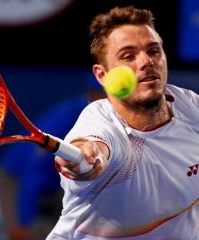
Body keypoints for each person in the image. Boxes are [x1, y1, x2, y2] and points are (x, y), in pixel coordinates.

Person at [47, 5, 199, 240]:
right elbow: (93, 145)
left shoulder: (190, 107)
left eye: (154, 50)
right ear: (102, 75)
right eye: (128, 56)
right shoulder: (100, 125)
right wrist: (85, 159)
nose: (147, 61)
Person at [0, 78, 105, 240]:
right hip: (16, 178)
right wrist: (24, 223)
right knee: (21, 234)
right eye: (106, 95)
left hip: (58, 182)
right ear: (93, 93)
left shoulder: (104, 119)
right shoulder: (67, 118)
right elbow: (34, 172)